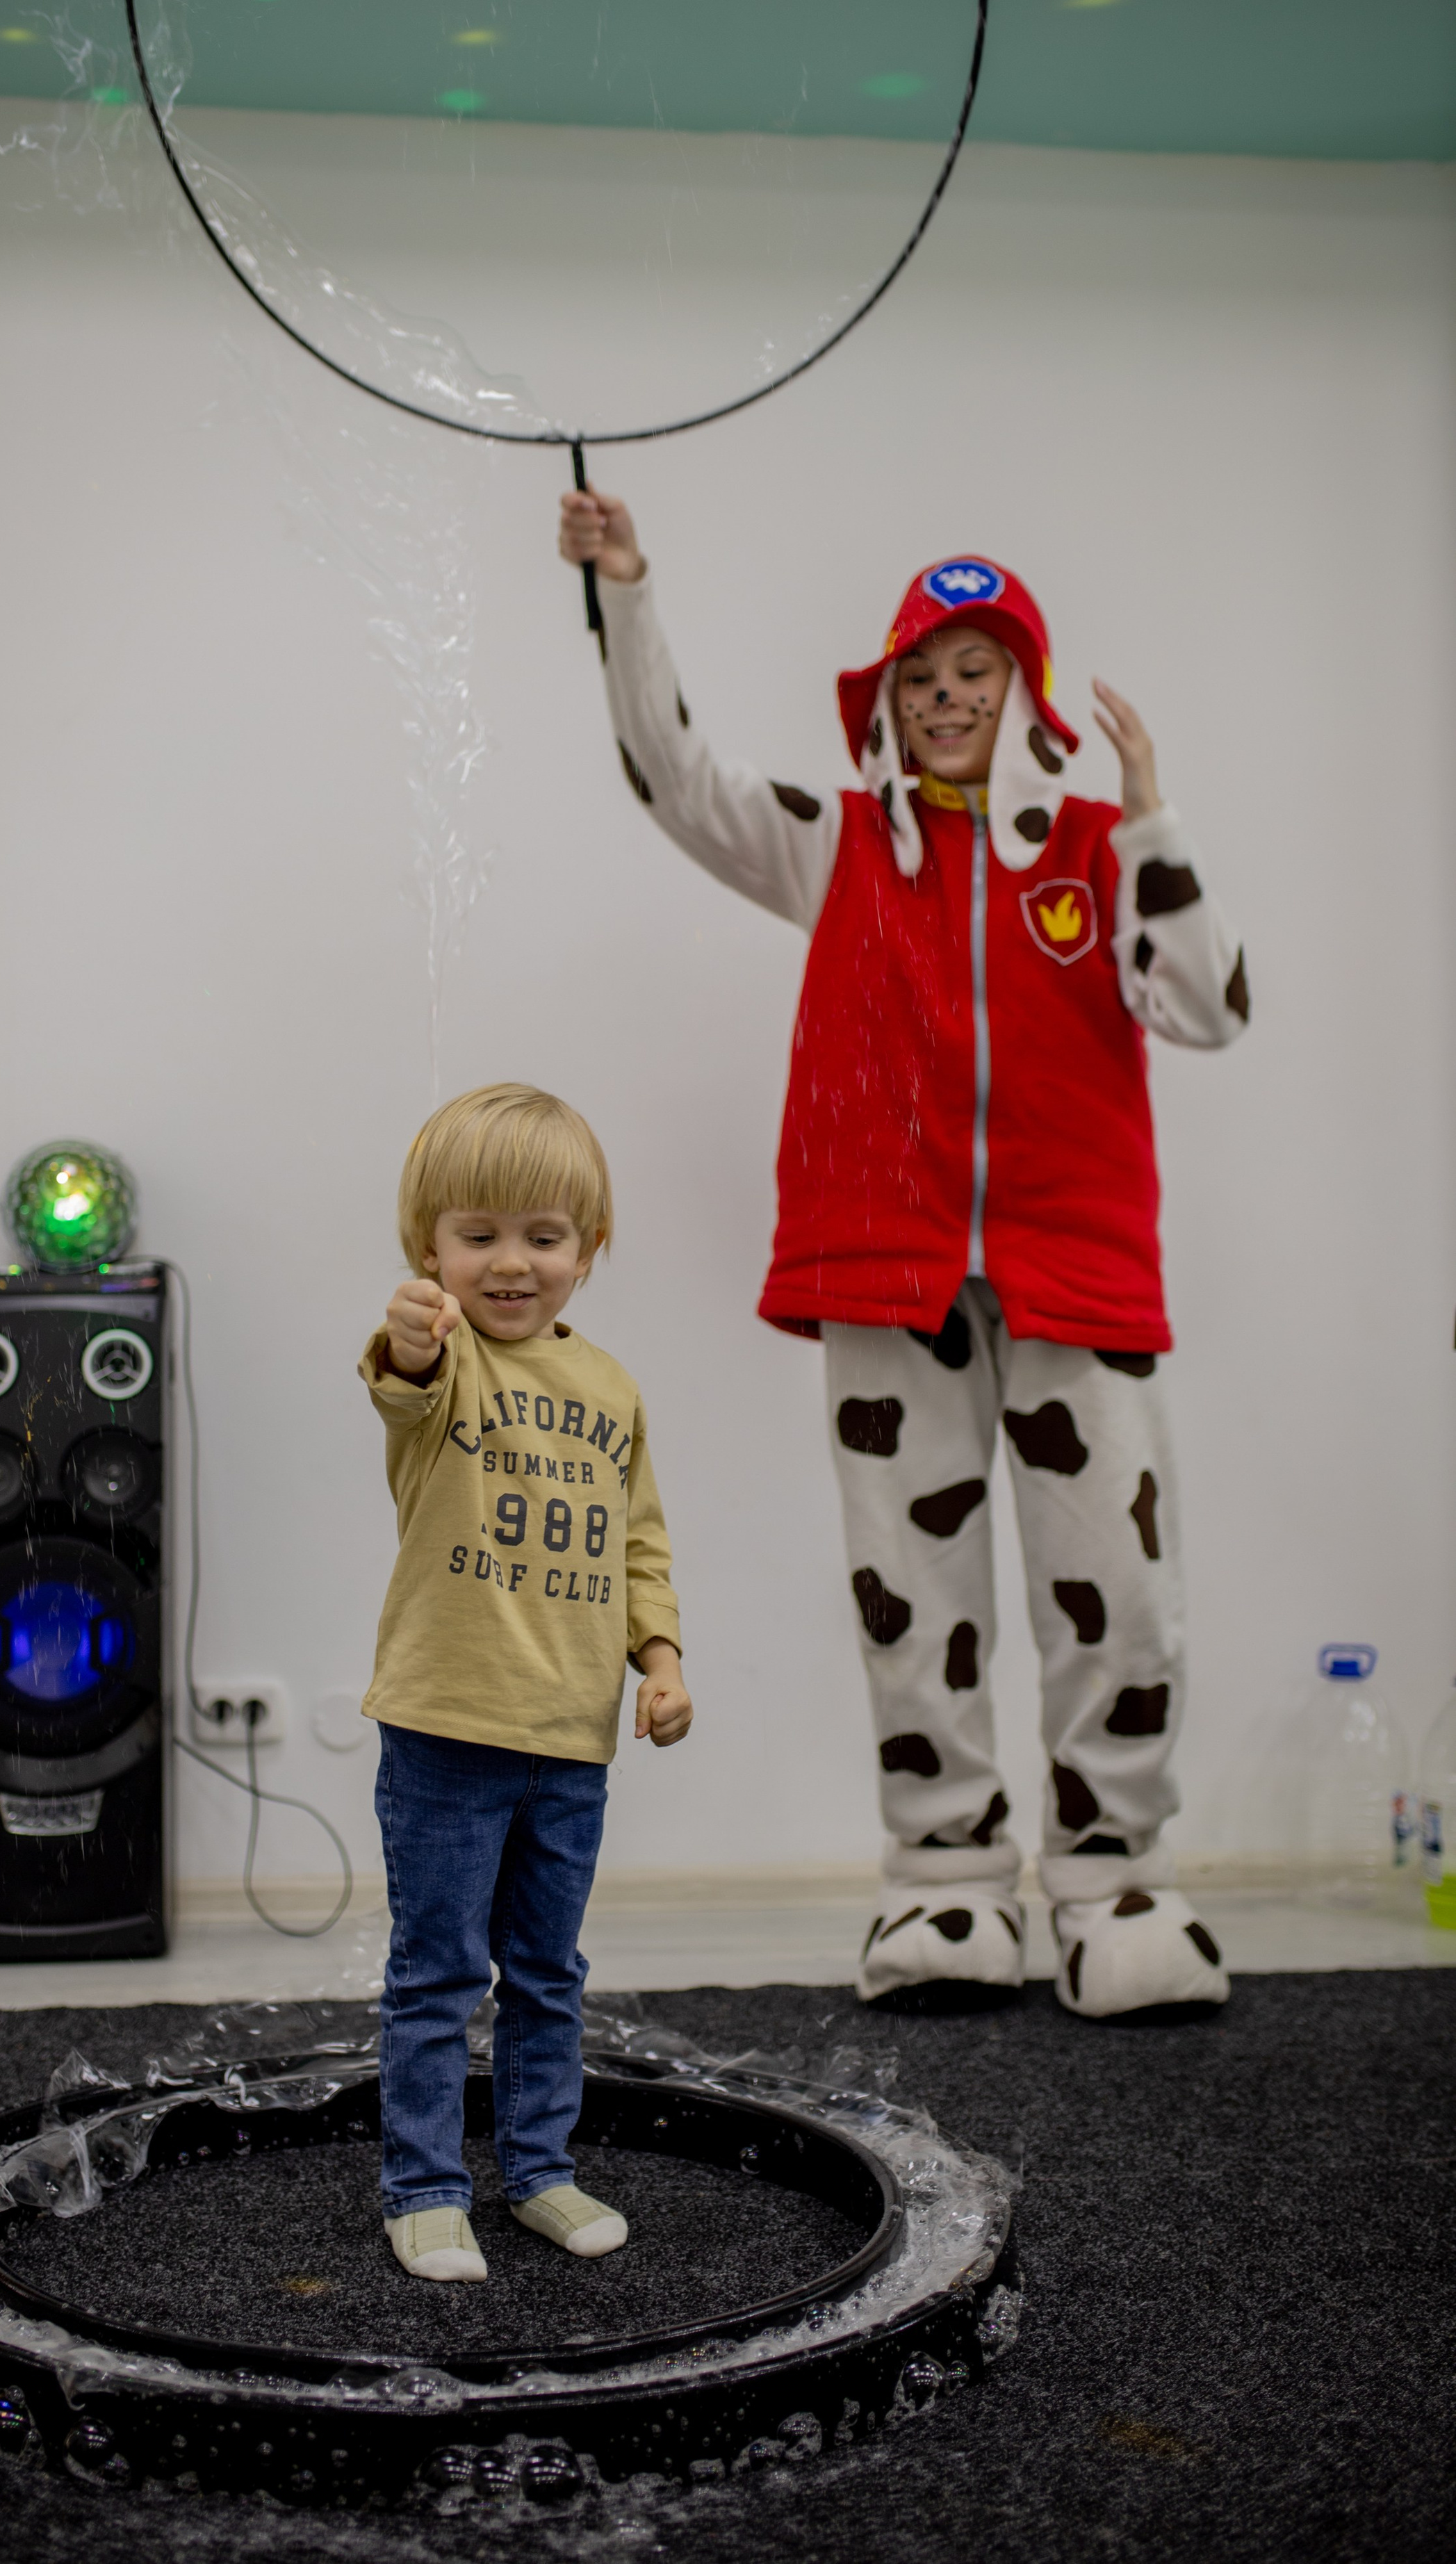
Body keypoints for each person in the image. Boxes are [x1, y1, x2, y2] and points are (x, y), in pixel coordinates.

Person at [557, 491, 1247, 2020]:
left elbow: (1210, 1006)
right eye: (919, 676)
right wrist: (627, 591)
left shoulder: (1095, 849)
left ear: (1023, 691)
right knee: (910, 1593)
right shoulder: (840, 846)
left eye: (973, 672)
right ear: (888, 698)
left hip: (1077, 1272)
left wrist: (1150, 817)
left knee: (1117, 1591)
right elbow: (676, 777)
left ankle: (1114, 1879)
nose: (944, 699)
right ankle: (946, 1875)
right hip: (888, 1271)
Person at [360, 1081, 693, 2280]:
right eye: (478, 1235)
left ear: (587, 1250)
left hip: (571, 1737)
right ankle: (424, 2187)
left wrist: (661, 1661)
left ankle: (540, 2170)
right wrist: (410, 1334)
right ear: (429, 1249)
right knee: (439, 1973)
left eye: (543, 1236)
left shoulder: (613, 1390)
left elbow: (640, 1545)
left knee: (549, 1974)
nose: (511, 1263)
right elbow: (398, 1380)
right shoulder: (444, 1361)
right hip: (447, 1731)